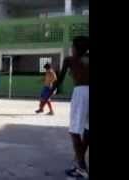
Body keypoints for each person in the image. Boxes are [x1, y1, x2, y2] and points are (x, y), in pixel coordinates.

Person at [49, 36, 89, 179]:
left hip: (82, 93)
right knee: (87, 130)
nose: (71, 49)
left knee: (74, 132)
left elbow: (59, 80)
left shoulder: (70, 60)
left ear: (76, 48)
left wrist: (50, 91)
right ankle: (80, 161)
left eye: (73, 46)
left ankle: (82, 168)